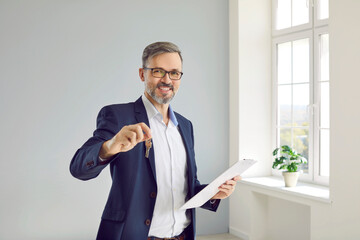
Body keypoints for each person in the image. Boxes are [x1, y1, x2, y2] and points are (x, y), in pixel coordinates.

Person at [70, 41, 241, 240]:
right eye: (159, 71)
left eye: (175, 73)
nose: (167, 80)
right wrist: (110, 146)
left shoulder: (185, 126)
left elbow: (186, 186)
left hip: (182, 236)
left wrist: (212, 193)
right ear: (143, 74)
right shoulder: (118, 116)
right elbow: (78, 168)